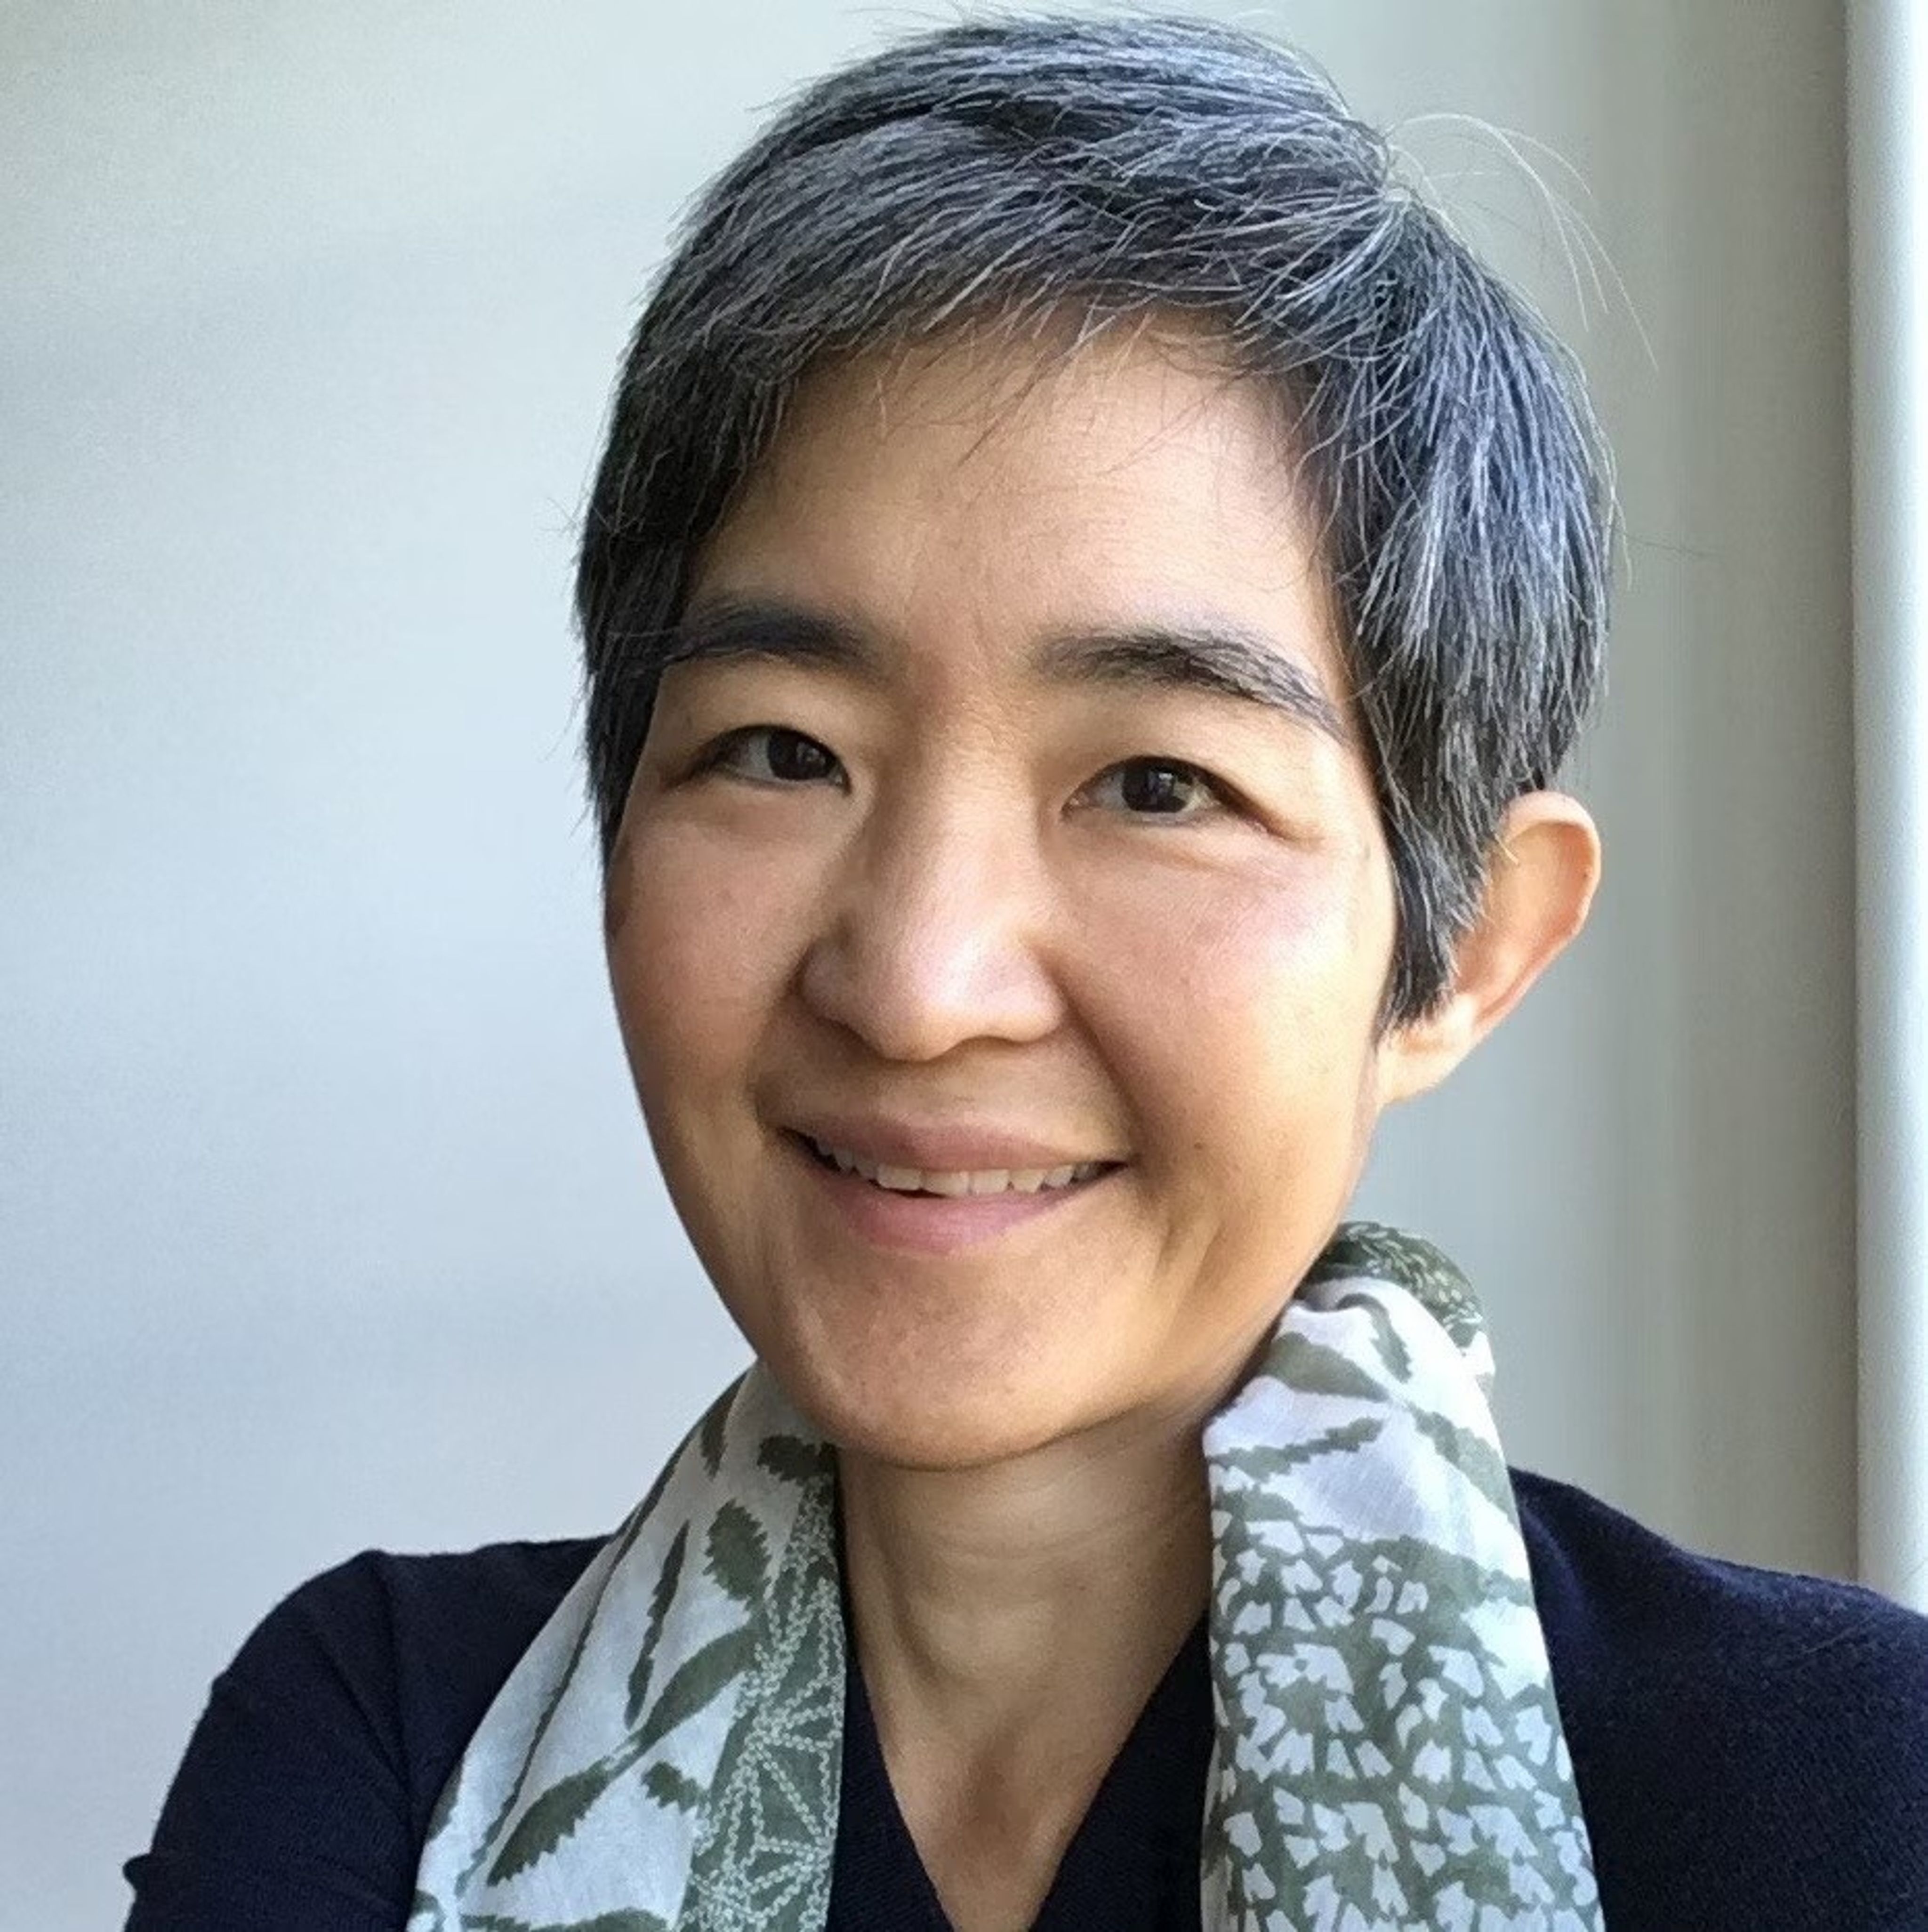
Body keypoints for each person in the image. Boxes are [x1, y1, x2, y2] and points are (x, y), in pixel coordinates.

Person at [124, 15, 1928, 1931]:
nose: (918, 983)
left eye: (1158, 783)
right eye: (780, 749)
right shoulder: (392, 1747)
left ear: (1460, 948)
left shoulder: (1831, 1803)